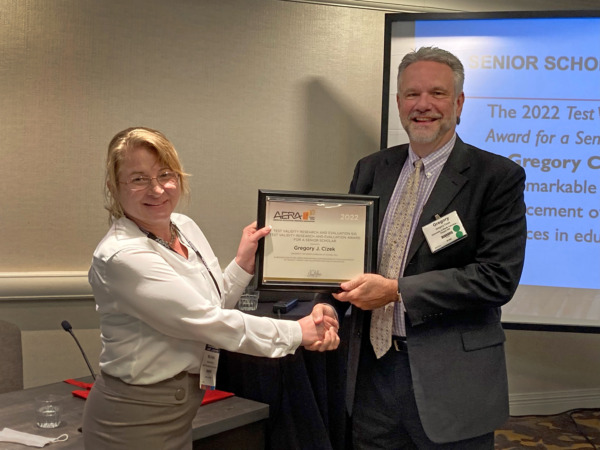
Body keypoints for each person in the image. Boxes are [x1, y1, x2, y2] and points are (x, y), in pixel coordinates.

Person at [317, 47, 527, 449]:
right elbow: (346, 254)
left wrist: (397, 291)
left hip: (452, 380)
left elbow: (497, 278)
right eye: (411, 94)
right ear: (398, 103)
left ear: (459, 102)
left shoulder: (497, 177)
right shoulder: (371, 168)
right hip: (372, 375)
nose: (423, 105)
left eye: (437, 93)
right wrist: (325, 299)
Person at [82, 127, 340, 449]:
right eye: (138, 179)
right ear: (114, 187)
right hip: (135, 417)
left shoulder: (184, 226)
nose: (158, 189)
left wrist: (243, 263)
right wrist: (297, 333)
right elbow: (206, 322)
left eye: (165, 174)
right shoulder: (123, 256)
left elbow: (211, 304)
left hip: (180, 407)